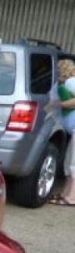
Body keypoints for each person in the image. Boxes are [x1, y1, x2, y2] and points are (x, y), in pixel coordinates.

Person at [50, 59, 75, 206]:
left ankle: (71, 197)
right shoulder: (65, 84)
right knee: (69, 163)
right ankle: (65, 193)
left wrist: (58, 104)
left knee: (73, 164)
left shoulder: (71, 82)